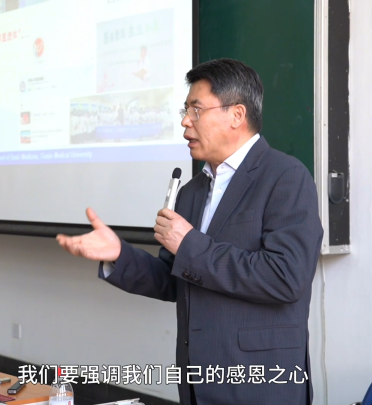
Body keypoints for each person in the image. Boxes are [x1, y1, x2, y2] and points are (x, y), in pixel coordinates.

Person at [56, 59, 323, 405]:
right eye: (185, 110)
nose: (185, 121)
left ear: (236, 115)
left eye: (196, 110)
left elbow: (286, 277)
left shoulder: (286, 177)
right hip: (197, 382)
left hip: (259, 385)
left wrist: (190, 244)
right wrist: (119, 254)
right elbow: (176, 278)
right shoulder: (192, 192)